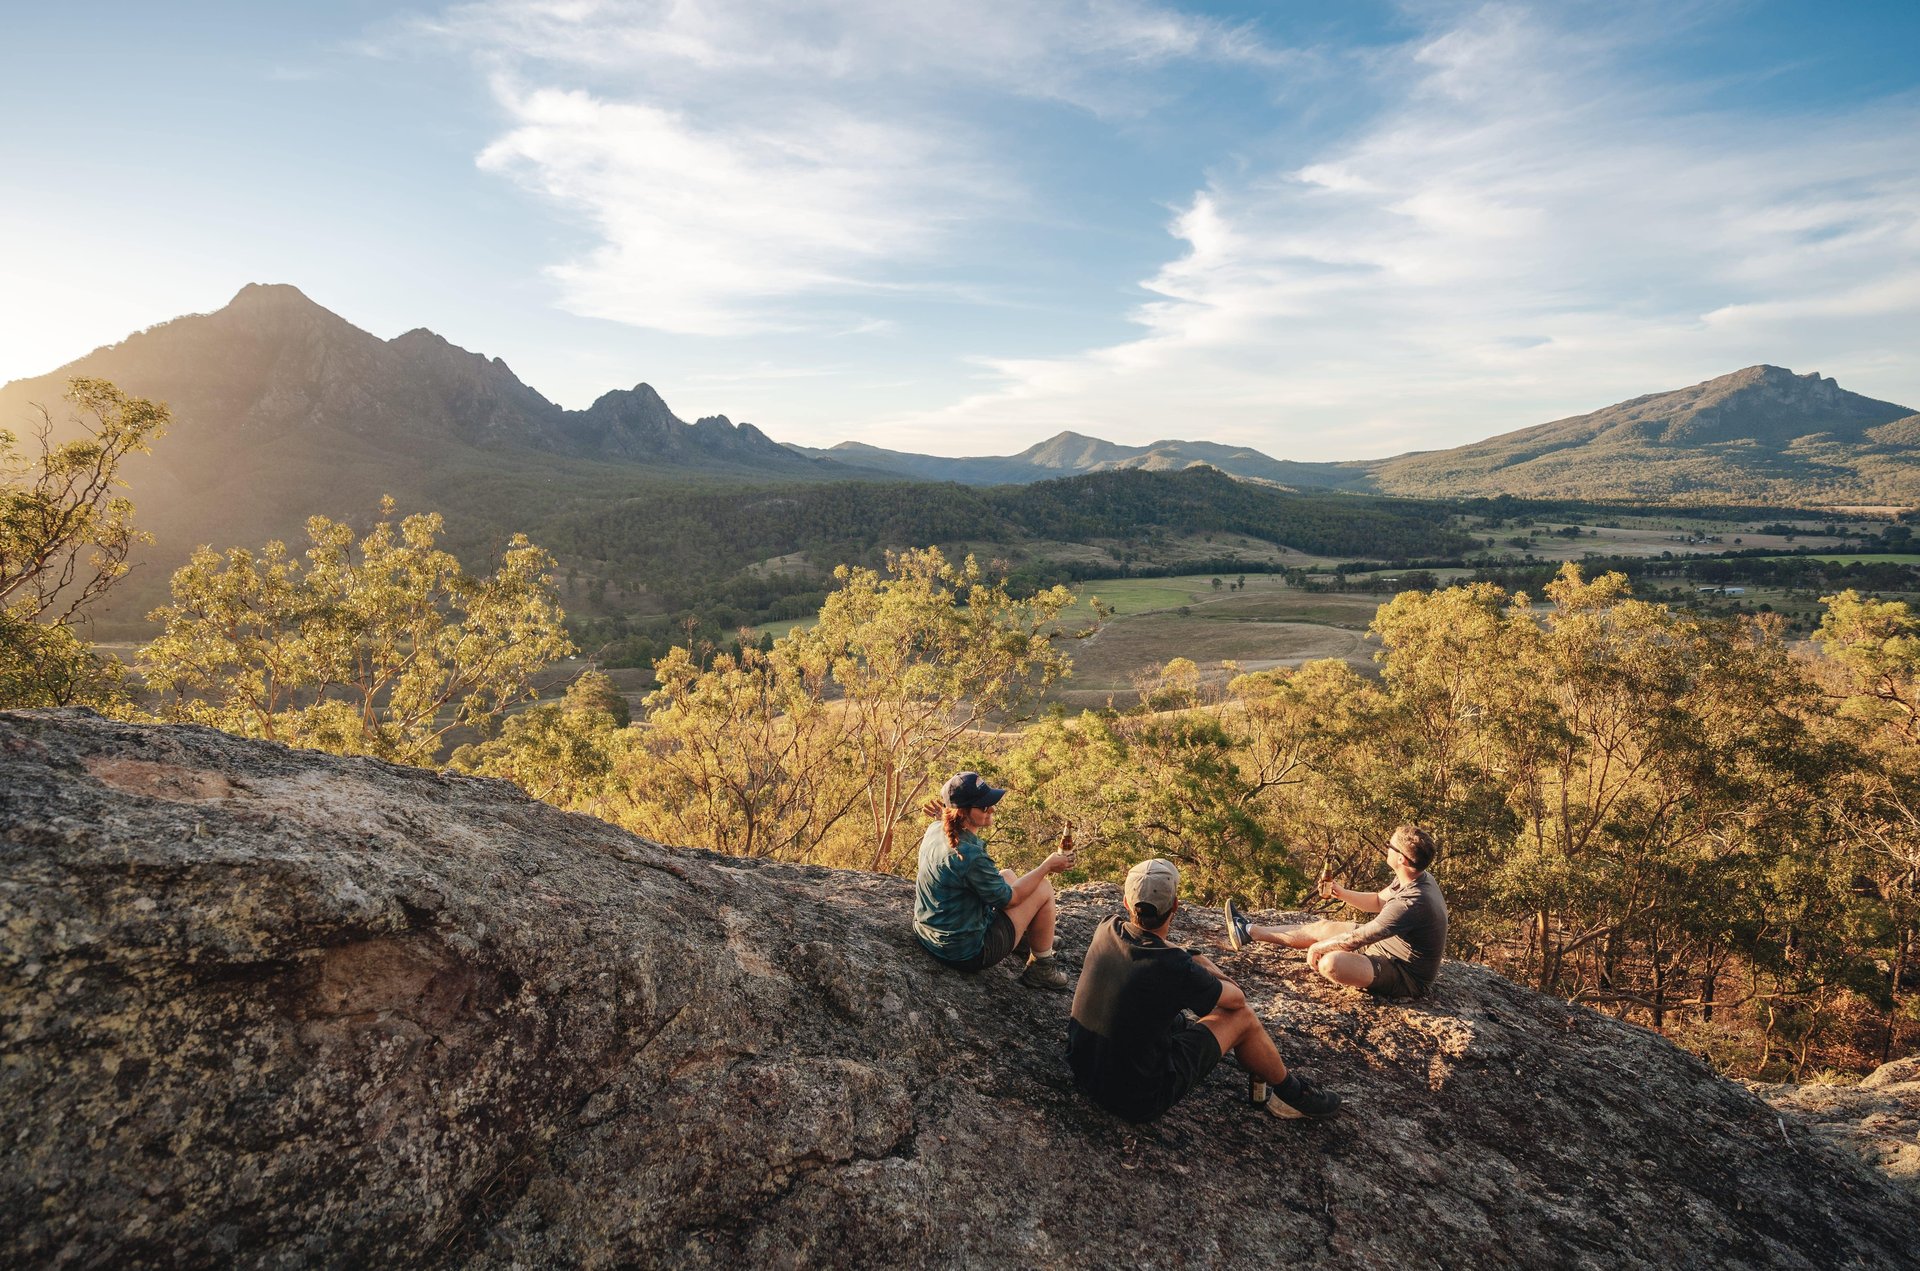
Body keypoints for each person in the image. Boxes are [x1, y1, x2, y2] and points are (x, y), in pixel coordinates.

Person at [1067, 858, 1341, 1123]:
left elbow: (1149, 951)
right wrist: (1199, 960)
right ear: (1175, 905)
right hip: (1138, 1100)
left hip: (1083, 1071)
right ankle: (1290, 1093)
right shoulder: (1176, 967)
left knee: (1173, 1020)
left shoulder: (1107, 927)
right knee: (1243, 1018)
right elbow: (1236, 1000)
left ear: (1126, 902)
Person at [1224, 825, 1447, 1001]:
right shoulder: (1416, 876)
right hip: (1383, 946)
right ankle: (1249, 931)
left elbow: (1360, 937)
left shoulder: (1411, 902)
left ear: (1402, 859)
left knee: (1330, 963)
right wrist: (1341, 892)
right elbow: (1379, 901)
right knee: (1321, 927)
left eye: (1391, 845)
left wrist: (1319, 947)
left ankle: (1357, 966)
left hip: (1404, 974)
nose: (1387, 847)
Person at [912, 771, 1075, 990]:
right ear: (962, 812)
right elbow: (1011, 899)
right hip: (965, 953)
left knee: (1007, 874)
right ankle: (1041, 969)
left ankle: (1029, 938)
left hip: (929, 934)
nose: (992, 809)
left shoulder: (934, 829)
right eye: (984, 806)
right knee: (1042, 888)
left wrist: (945, 814)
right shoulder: (969, 855)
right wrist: (1046, 866)